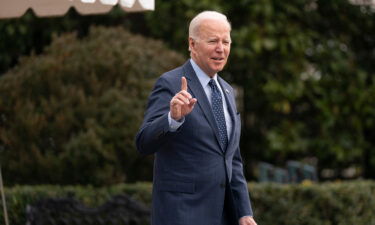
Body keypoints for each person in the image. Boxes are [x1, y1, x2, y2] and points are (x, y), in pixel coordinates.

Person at [136, 11, 257, 225]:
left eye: (226, 41)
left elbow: (232, 160)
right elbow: (143, 142)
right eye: (213, 41)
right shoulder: (170, 83)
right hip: (183, 215)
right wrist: (172, 119)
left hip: (224, 216)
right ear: (192, 44)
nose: (221, 49)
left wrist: (243, 212)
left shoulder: (228, 92)